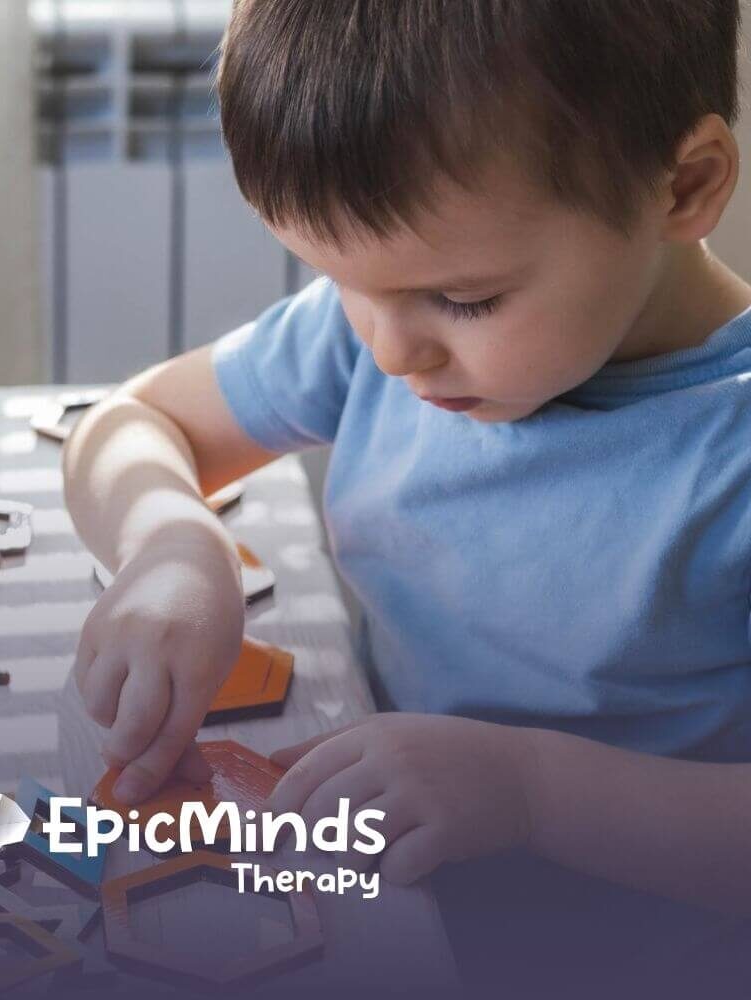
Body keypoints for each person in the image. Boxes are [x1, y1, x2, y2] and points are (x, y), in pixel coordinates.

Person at [64, 2, 751, 990]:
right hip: (390, 920)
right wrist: (173, 546)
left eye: (466, 300)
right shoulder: (378, 324)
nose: (390, 351)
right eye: (337, 278)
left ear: (685, 186)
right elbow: (129, 425)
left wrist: (534, 793)